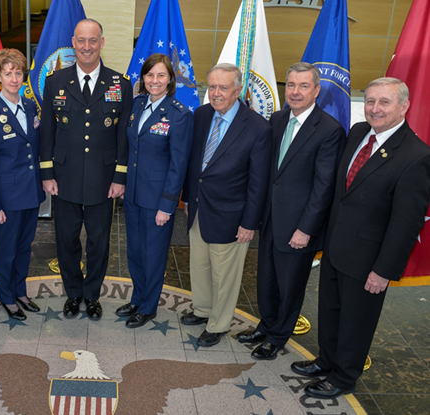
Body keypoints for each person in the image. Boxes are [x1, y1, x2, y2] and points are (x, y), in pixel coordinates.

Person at [291, 78, 430, 399]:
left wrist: (384, 270)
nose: (375, 109)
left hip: (369, 260)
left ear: (404, 107)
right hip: (336, 248)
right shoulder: (356, 133)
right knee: (329, 311)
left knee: (357, 321)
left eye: (384, 102)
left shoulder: (416, 156)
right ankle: (326, 361)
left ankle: (344, 376)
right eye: (370, 101)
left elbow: (406, 224)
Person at [236, 63, 345, 360]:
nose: (295, 92)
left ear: (317, 90)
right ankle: (266, 324)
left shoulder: (329, 130)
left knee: (290, 285)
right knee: (266, 279)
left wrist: (306, 229)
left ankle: (279, 336)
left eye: (304, 86)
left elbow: (323, 188)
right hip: (271, 218)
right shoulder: (278, 118)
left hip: (298, 225)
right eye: (292, 85)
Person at [40, 18, 132, 320]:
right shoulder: (55, 82)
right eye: (81, 40)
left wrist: (120, 176)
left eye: (93, 40)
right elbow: (48, 133)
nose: (87, 46)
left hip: (102, 180)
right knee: (65, 240)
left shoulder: (120, 84)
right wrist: (47, 173)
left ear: (102, 43)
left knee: (98, 242)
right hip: (64, 178)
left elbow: (122, 137)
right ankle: (73, 293)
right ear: (73, 43)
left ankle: (92, 295)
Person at [181, 63, 272, 347]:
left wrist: (249, 223)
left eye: (223, 88)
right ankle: (203, 309)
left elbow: (259, 182)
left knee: (225, 276)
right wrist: (188, 198)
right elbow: (195, 162)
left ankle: (219, 324)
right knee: (200, 266)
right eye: (212, 87)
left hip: (232, 217)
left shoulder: (257, 127)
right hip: (198, 208)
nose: (216, 93)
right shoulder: (201, 115)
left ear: (238, 90)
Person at [117, 53, 193, 328]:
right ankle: (138, 298)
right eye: (150, 75)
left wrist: (167, 205)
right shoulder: (137, 105)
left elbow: (178, 165)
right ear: (144, 78)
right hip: (134, 195)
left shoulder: (179, 115)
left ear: (171, 79)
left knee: (153, 254)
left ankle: (148, 307)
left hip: (158, 200)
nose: (155, 80)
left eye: (161, 75)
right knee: (135, 252)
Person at [0, 49, 44, 321]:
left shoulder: (29, 106)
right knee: (5, 251)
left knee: (24, 247)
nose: (14, 78)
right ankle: (6, 297)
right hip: (5, 199)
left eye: (18, 73)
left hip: (30, 193)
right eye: (8, 73)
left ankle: (20, 290)